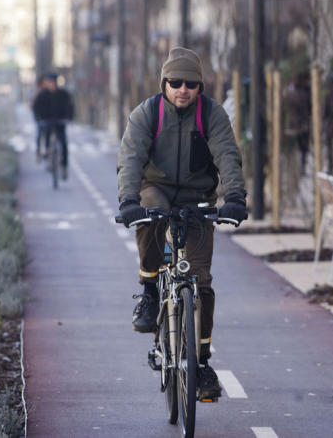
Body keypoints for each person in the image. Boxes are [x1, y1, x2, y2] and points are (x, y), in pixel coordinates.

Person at [116, 47, 248, 400]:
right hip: (155, 187)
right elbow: (130, 158)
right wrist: (128, 201)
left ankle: (201, 363)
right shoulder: (148, 113)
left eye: (191, 83)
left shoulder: (212, 114)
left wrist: (234, 198)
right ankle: (147, 292)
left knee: (201, 282)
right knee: (149, 209)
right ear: (165, 83)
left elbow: (227, 156)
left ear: (199, 86)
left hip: (197, 198)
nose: (183, 89)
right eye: (176, 82)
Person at [32, 72, 74, 179]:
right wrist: (39, 119)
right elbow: (36, 107)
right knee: (46, 136)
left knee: (64, 143)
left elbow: (70, 106)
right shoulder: (42, 95)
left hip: (60, 122)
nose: (52, 85)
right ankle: (48, 155)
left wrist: (69, 118)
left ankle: (64, 166)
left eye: (54, 83)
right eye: (50, 83)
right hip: (47, 121)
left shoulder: (63, 94)